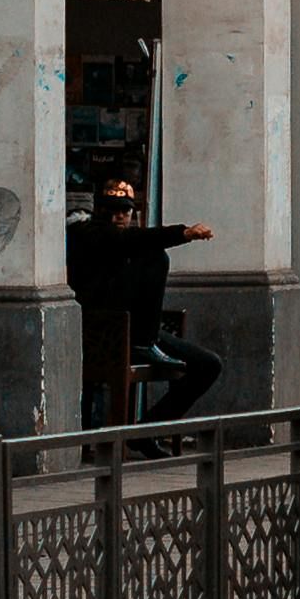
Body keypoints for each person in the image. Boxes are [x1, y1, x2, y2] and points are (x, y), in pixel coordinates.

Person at [66, 176, 221, 423]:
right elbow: (125, 241)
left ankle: (149, 430)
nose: (118, 216)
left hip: (138, 332)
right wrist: (183, 233)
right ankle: (144, 343)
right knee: (155, 256)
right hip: (102, 334)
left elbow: (132, 241)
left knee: (209, 364)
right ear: (100, 210)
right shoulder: (87, 233)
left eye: (124, 210)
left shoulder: (129, 244)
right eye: (112, 210)